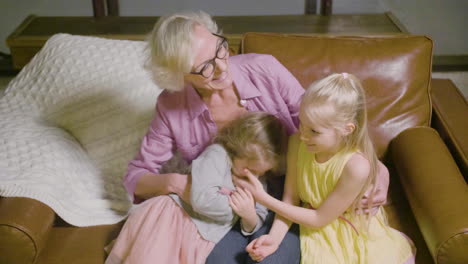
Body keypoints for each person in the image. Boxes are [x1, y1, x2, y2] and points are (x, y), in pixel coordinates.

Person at [123, 10, 389, 263]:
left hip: (290, 196)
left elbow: (323, 123)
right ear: (178, 75)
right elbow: (136, 177)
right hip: (229, 207)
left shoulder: (264, 69)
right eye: (204, 67)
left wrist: (376, 169)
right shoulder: (171, 105)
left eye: (220, 49)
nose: (221, 67)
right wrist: (180, 184)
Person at [236, 73, 416, 263]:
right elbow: (291, 199)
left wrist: (263, 198)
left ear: (347, 129)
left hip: (343, 229)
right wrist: (273, 239)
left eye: (314, 131)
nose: (303, 135)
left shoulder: (355, 166)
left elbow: (320, 218)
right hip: (309, 222)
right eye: (302, 124)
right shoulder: (298, 142)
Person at [106, 112, 288, 264]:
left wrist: (249, 216)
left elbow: (259, 216)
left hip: (202, 236)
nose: (253, 176)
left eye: (260, 172)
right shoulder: (217, 155)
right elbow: (203, 199)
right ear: (236, 148)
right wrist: (237, 211)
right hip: (174, 218)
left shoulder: (258, 181)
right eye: (249, 168)